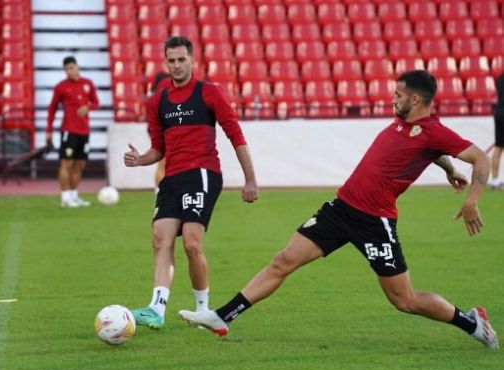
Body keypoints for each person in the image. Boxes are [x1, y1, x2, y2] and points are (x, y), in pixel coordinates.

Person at [179, 70, 498, 350]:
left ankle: (472, 323)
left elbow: (480, 160)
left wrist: (471, 200)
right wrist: (445, 167)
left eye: (398, 95)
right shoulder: (405, 124)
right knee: (283, 261)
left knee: (405, 300)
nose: (392, 99)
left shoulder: (434, 130)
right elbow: (428, 151)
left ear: (415, 100)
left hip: (375, 222)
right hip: (341, 208)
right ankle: (221, 316)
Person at [123, 36, 258, 330]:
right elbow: (158, 149)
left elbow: (236, 135)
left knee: (192, 244)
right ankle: (156, 308)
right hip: (172, 177)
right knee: (161, 238)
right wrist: (140, 160)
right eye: (171, 61)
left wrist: (250, 179)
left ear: (193, 60)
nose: (176, 65)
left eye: (181, 59)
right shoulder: (157, 101)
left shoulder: (210, 93)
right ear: (165, 62)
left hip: (202, 174)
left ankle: (203, 310)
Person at [45, 56, 99, 207]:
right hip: (68, 130)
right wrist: (49, 129)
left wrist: (87, 107)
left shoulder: (88, 84)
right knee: (66, 163)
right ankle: (65, 198)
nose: (69, 71)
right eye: (66, 69)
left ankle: (74, 195)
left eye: (71, 68)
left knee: (80, 164)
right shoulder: (61, 87)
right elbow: (52, 109)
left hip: (84, 130)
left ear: (77, 67)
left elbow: (96, 102)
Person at [149, 71, 172, 190]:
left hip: (159, 125)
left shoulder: (161, 81)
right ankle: (159, 193)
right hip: (164, 125)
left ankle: (160, 193)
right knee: (164, 162)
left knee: (164, 162)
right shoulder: (165, 80)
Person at [489, 73, 504, 189]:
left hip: (498, 111)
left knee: (498, 147)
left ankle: (494, 180)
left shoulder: (499, 78)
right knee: (499, 148)